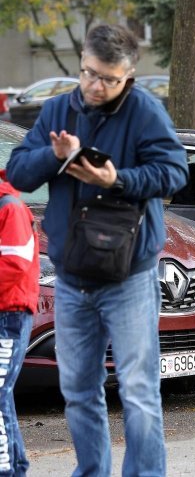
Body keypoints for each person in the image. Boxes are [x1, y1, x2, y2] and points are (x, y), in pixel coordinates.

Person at [6, 24, 188, 476]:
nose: (95, 85)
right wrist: (56, 156)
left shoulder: (145, 112)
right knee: (79, 390)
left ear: (128, 75)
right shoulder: (57, 111)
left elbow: (173, 171)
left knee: (139, 390)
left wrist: (118, 180)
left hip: (128, 276)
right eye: (88, 73)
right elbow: (19, 172)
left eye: (108, 78)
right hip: (72, 277)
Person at [0, 170, 39, 476]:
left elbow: (14, 265)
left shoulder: (9, 207)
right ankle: (16, 466)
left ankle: (10, 469)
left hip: (10, 314)